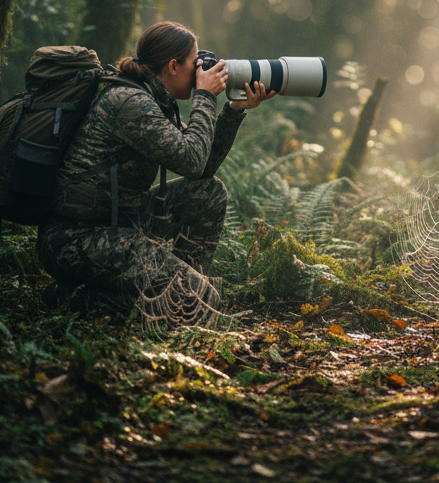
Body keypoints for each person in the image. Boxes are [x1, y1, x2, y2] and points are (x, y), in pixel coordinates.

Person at [37, 21, 274, 321]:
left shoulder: (154, 99)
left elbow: (201, 168)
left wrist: (233, 111)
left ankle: (184, 289)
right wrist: (205, 96)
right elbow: (190, 159)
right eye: (195, 61)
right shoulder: (130, 102)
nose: (201, 69)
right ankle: (75, 299)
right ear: (173, 66)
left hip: (119, 222)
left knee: (208, 191)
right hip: (75, 238)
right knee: (199, 301)